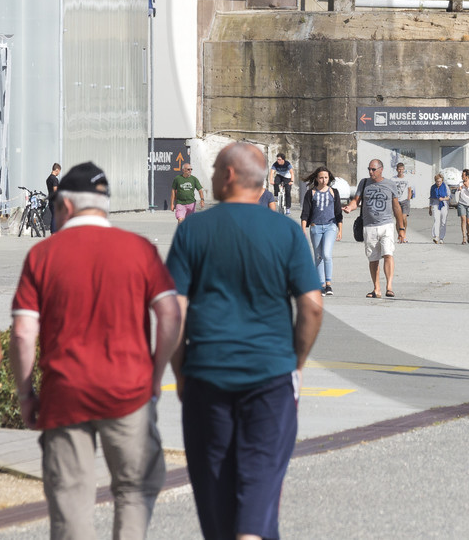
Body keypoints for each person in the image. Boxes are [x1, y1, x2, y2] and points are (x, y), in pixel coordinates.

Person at [11, 162, 180, 540]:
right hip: (129, 391)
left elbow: (23, 333)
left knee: (71, 499)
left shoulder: (42, 255)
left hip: (64, 392)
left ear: (65, 207)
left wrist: (26, 394)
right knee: (135, 487)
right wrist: (154, 377)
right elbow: (170, 315)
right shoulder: (138, 249)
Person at [167, 142, 323, 540]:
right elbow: (312, 307)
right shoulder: (285, 232)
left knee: (214, 481)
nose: (212, 175)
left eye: (216, 168)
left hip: (207, 377)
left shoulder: (193, 231)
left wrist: (181, 371)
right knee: (260, 480)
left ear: (230, 176)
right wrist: (296, 362)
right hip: (270, 376)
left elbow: (172, 313)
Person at [345, 158, 406, 297]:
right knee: (373, 258)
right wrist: (350, 207)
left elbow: (396, 207)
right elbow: (356, 201)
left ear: (381, 169)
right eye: (369, 169)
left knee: (388, 254)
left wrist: (401, 229)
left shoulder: (390, 184)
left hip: (386, 225)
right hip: (369, 226)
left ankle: (389, 287)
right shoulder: (364, 182)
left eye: (373, 169)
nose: (371, 172)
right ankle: (376, 288)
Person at [301, 166, 343, 294]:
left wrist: (340, 229)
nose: (324, 180)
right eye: (321, 178)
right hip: (315, 227)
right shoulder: (311, 193)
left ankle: (328, 284)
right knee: (318, 256)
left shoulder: (333, 192)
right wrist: (303, 229)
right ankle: (321, 284)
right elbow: (305, 213)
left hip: (330, 227)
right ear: (317, 179)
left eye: (326, 177)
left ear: (329, 178)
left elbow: (338, 212)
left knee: (326, 254)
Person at [393, 161, 413, 239]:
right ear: (397, 170)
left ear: (404, 169)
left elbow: (409, 189)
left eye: (402, 169)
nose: (400, 171)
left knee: (404, 218)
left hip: (405, 201)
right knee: (398, 219)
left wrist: (408, 199)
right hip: (396, 201)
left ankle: (404, 233)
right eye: (399, 169)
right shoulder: (393, 179)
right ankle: (399, 235)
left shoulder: (407, 178)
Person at [428, 173, 449, 243]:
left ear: (442, 181)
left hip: (443, 204)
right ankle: (436, 236)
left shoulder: (445, 186)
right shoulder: (433, 187)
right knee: (436, 220)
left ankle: (441, 237)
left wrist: (443, 199)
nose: (438, 183)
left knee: (443, 221)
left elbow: (449, 197)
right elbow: (431, 198)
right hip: (435, 204)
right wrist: (430, 208)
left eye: (440, 181)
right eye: (437, 181)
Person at [46, 163, 62, 233]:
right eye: (59, 171)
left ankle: (53, 232)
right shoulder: (55, 179)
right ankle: (54, 232)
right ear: (57, 170)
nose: (59, 173)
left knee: (54, 216)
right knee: (55, 217)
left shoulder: (48, 179)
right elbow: (55, 190)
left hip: (50, 200)